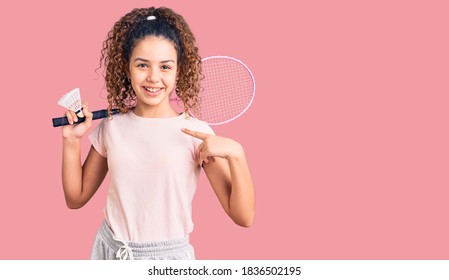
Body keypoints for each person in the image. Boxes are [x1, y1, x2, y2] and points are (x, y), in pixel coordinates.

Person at [61, 6, 255, 260]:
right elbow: (76, 198)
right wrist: (71, 141)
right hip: (112, 254)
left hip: (168, 260)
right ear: (127, 68)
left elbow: (244, 217)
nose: (153, 77)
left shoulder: (196, 134)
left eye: (165, 67)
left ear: (178, 71)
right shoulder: (111, 126)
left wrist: (237, 155)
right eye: (142, 65)